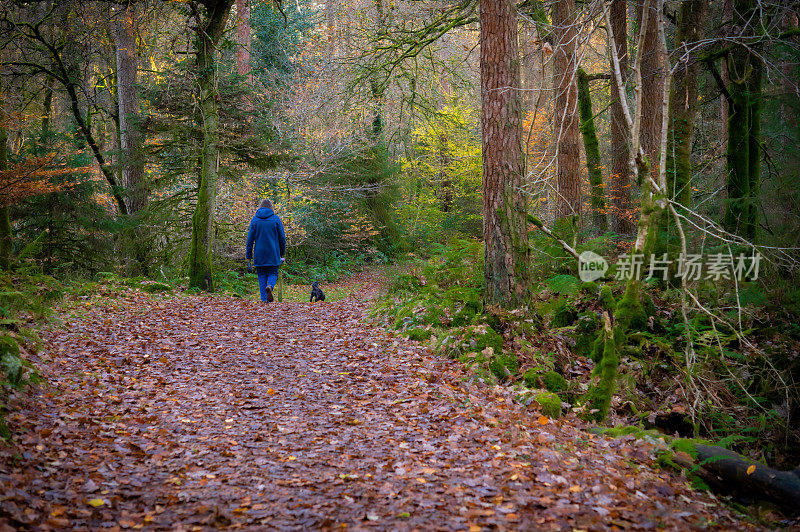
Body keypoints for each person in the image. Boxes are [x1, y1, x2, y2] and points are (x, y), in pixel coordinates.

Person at [246, 198, 286, 303]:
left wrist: (248, 258)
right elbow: (282, 238)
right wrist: (282, 253)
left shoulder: (255, 220)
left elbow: (249, 240)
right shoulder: (276, 219)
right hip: (273, 253)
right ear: (271, 208)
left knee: (261, 275)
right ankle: (270, 287)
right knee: (273, 272)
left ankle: (264, 300)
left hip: (259, 255)